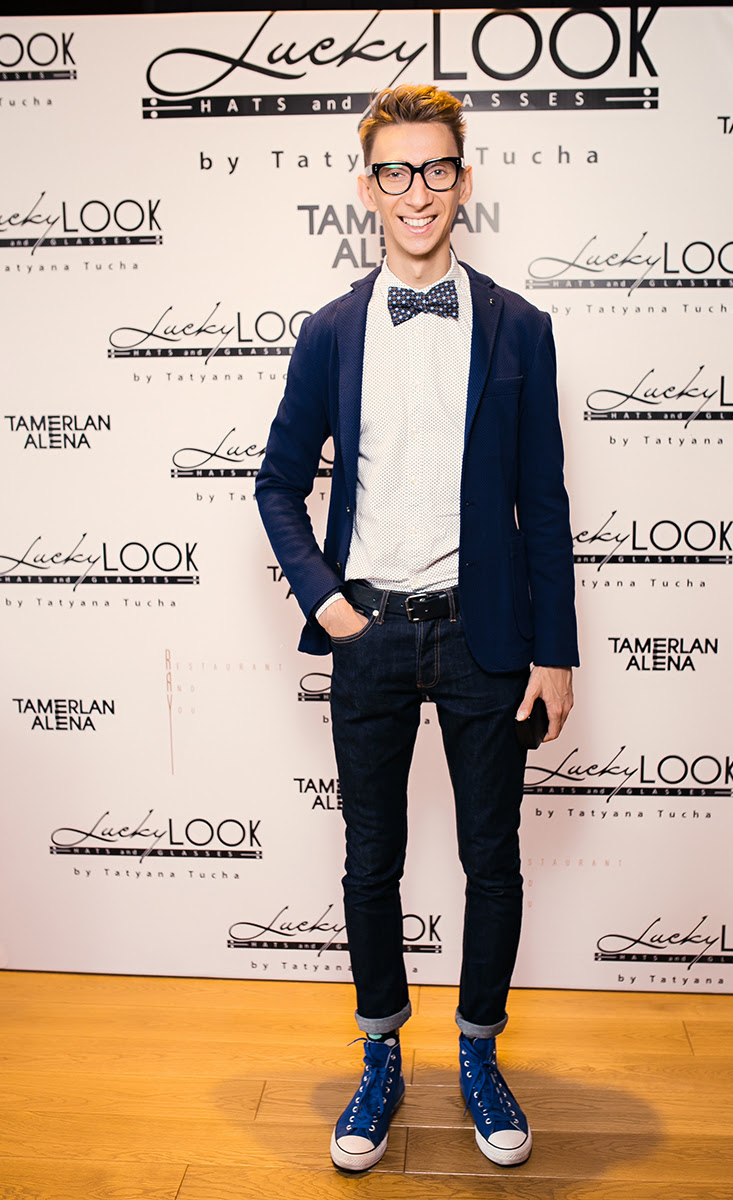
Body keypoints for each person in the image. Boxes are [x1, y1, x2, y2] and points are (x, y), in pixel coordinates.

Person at [255, 83, 578, 1172]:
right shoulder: (330, 332)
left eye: (436, 168)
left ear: (463, 180)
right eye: (394, 171)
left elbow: (545, 502)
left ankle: (479, 1053)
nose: (417, 191)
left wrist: (555, 649)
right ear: (367, 189)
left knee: (492, 860)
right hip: (373, 635)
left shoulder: (520, 328)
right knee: (369, 862)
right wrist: (325, 599)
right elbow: (276, 484)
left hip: (489, 638)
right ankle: (381, 1057)